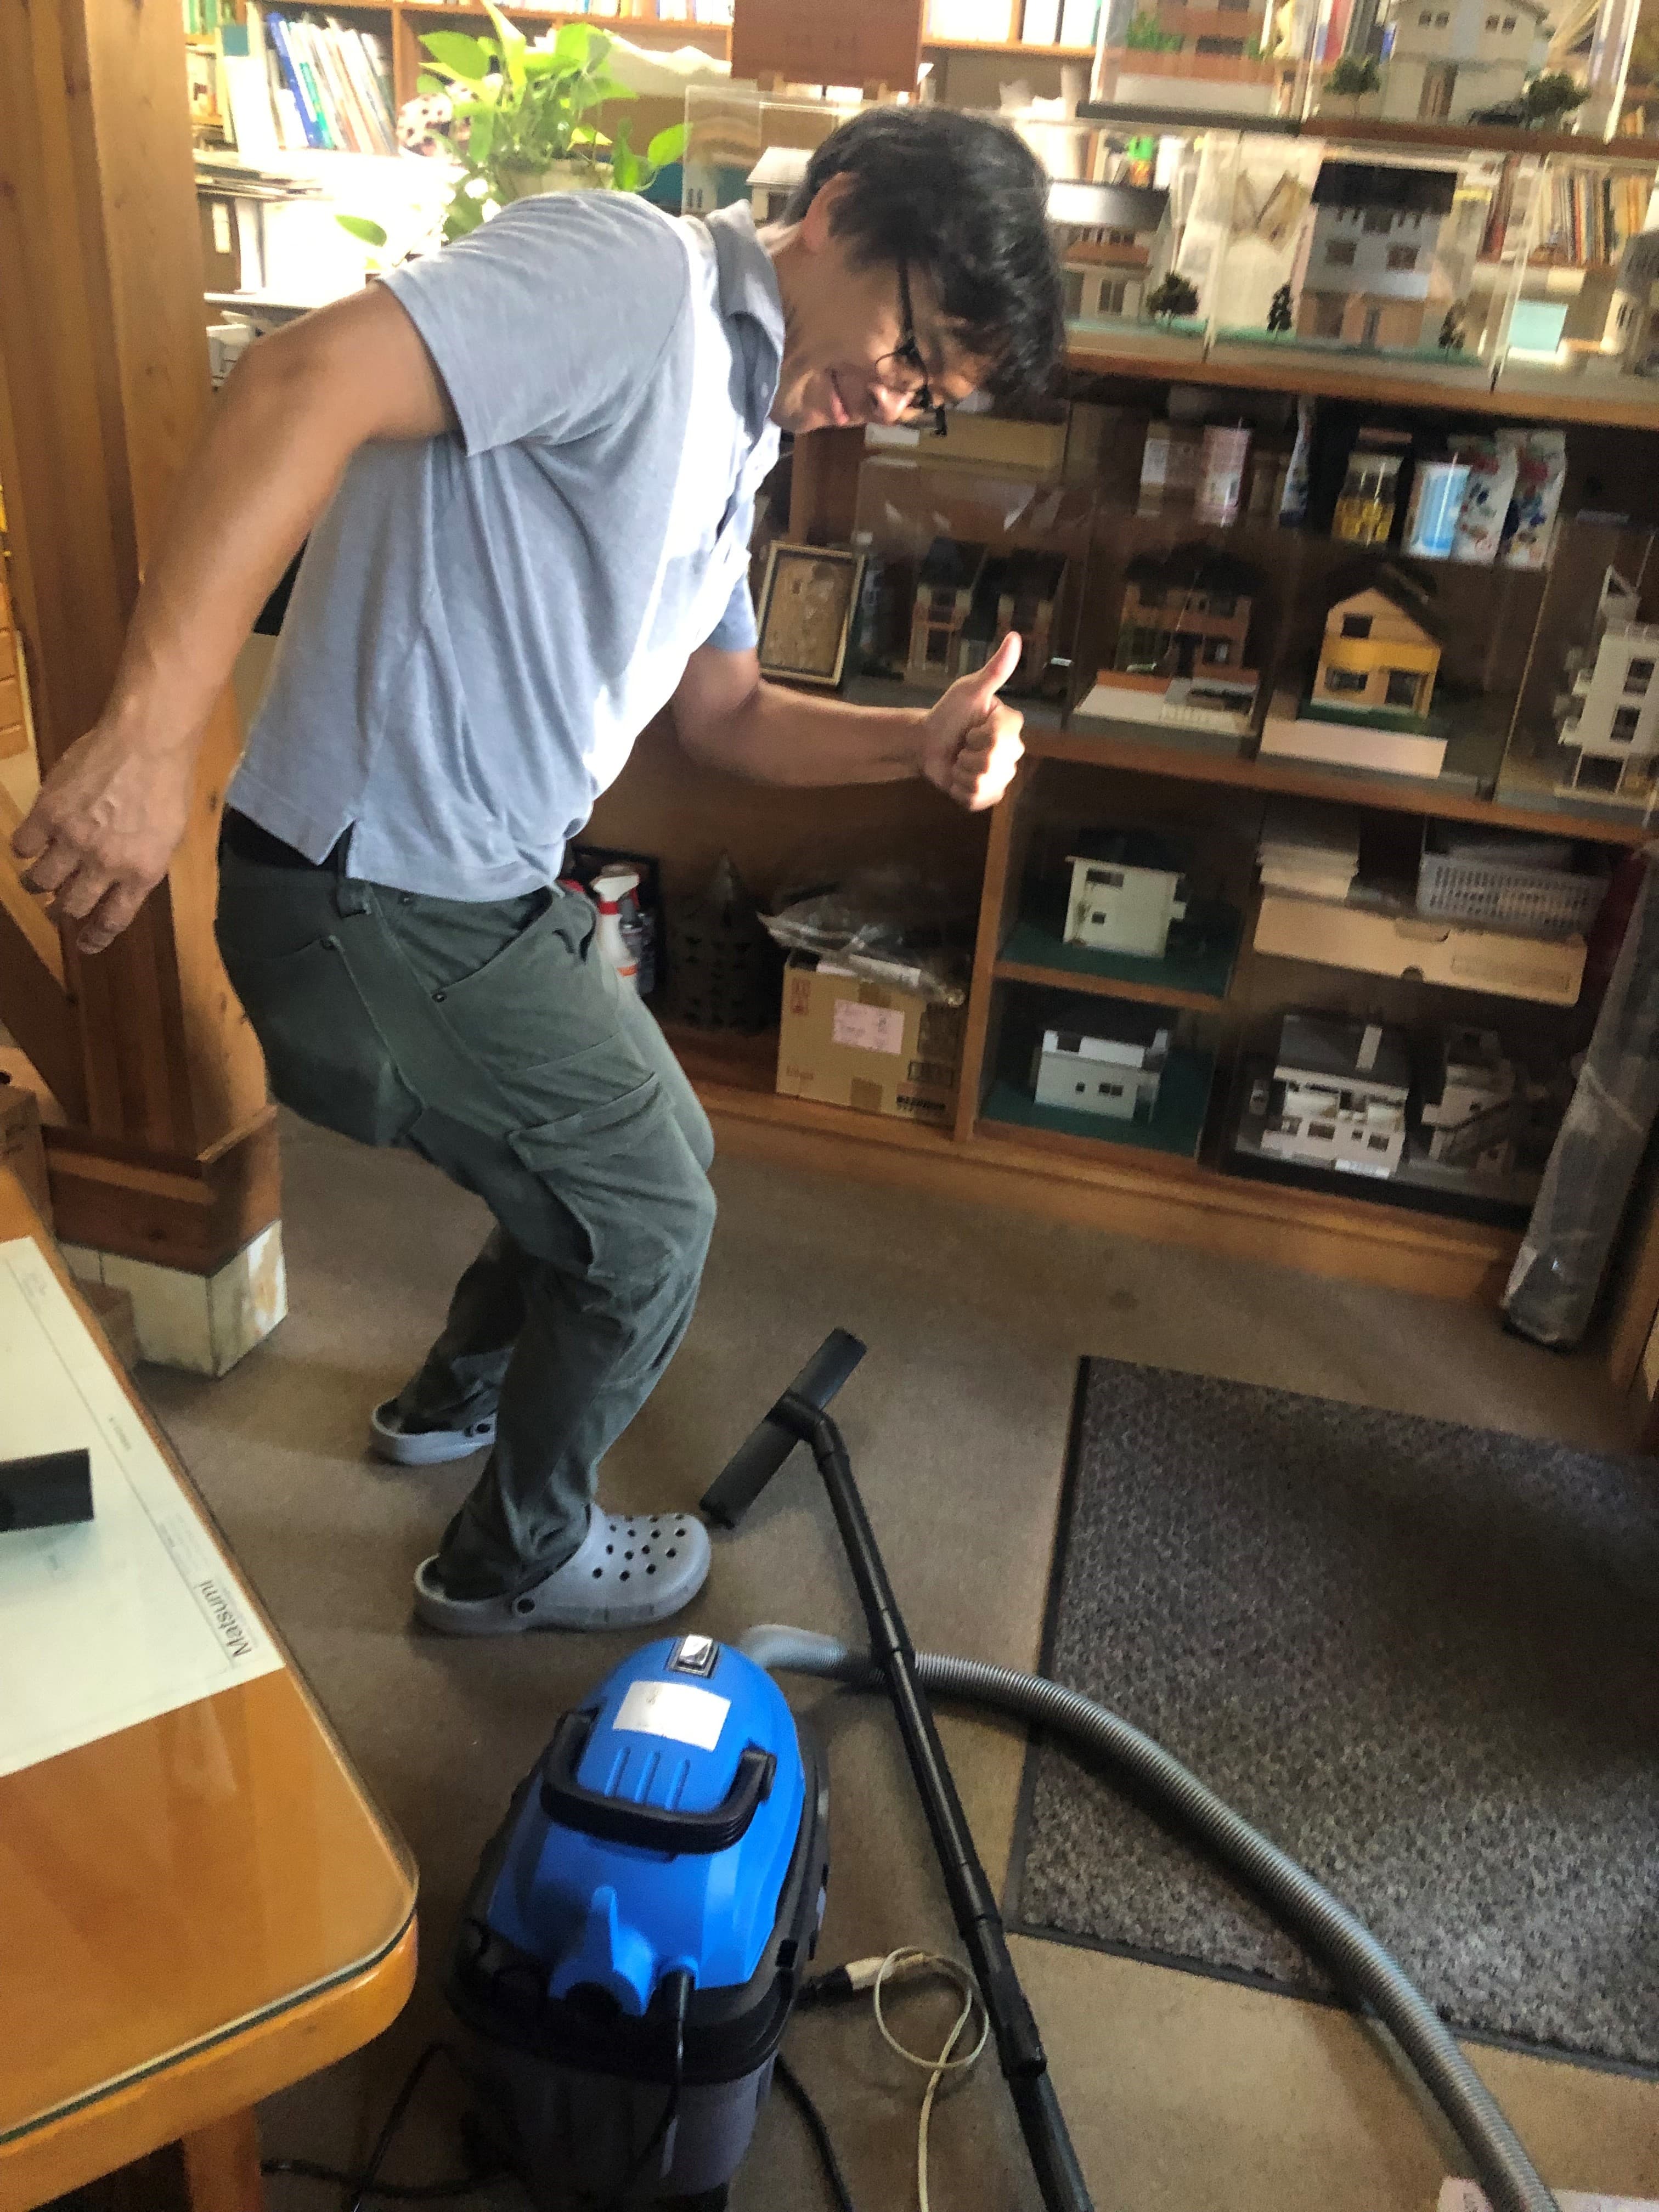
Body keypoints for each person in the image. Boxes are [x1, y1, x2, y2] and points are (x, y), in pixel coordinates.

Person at [12, 106, 1065, 1636]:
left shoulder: (742, 423)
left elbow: (725, 715)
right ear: (838, 209)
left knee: (644, 1147)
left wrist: (919, 746)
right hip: (372, 900)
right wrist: (151, 738)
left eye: (931, 398)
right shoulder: (631, 282)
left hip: (475, 891)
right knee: (650, 1216)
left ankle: (452, 1400)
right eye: (910, 351)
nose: (892, 402)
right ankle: (512, 1562)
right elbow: (303, 377)